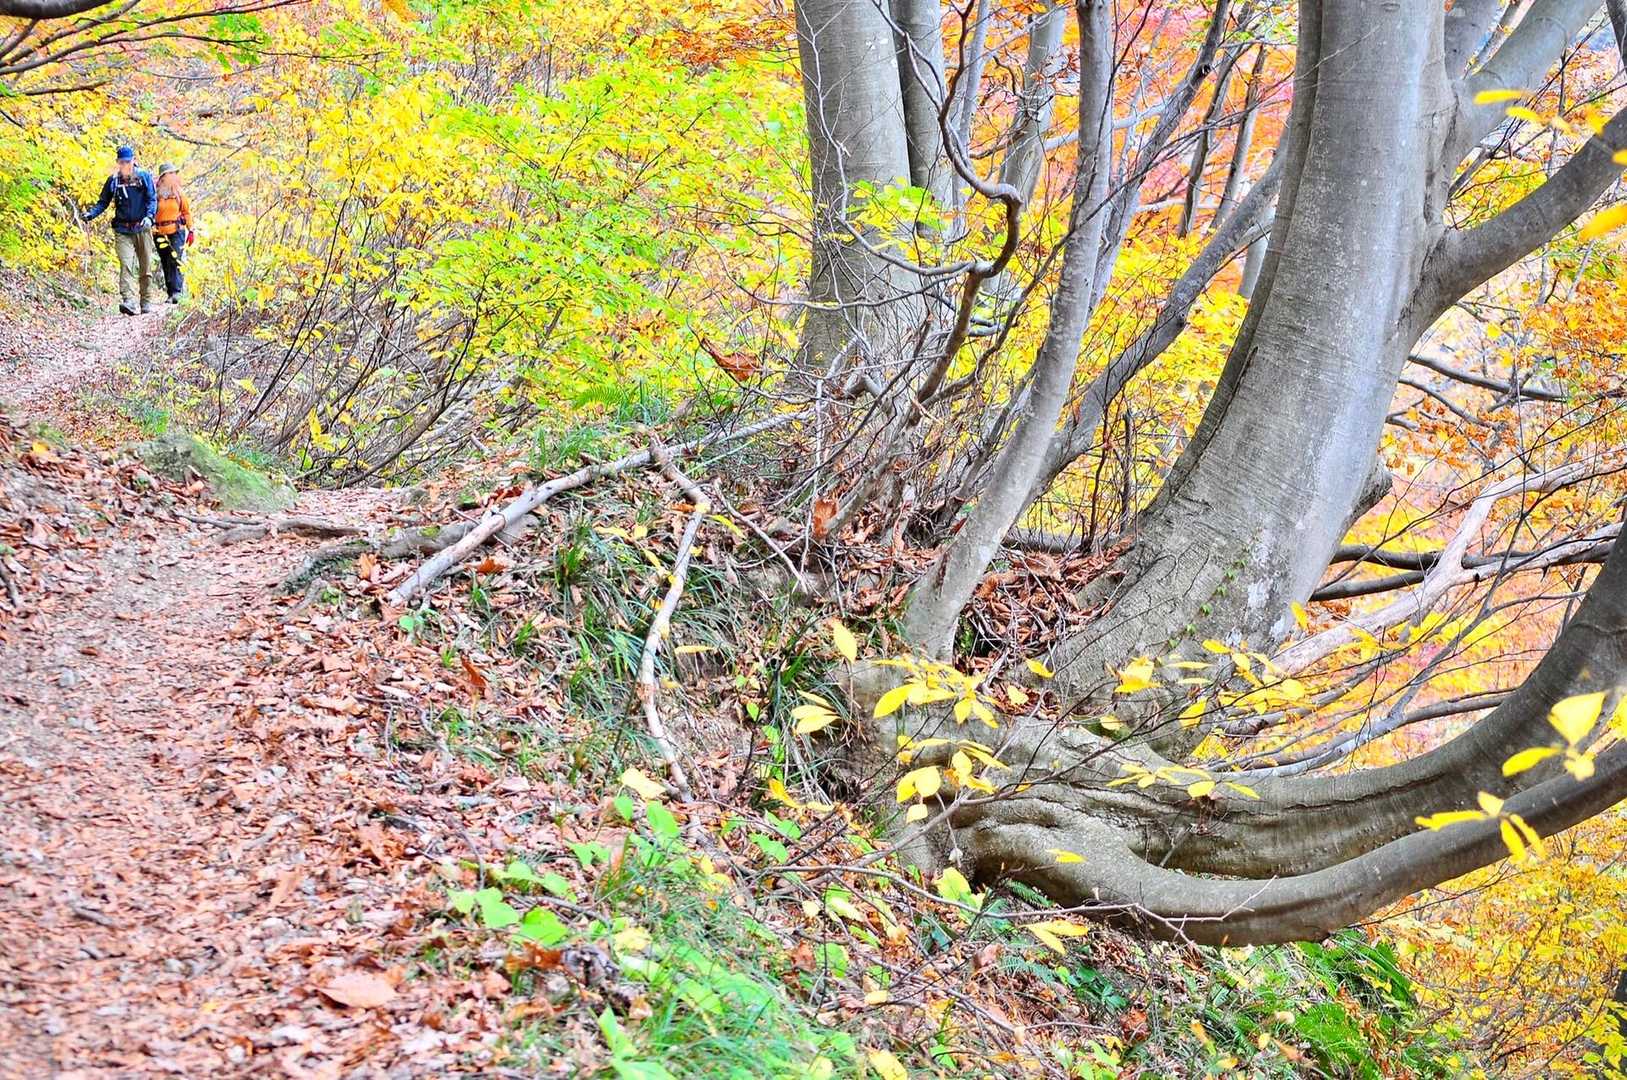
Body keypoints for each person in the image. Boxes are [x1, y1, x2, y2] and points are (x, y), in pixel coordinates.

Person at [80, 145, 158, 316]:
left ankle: (146, 300)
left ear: (133, 161)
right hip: (122, 229)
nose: (125, 165)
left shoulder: (144, 177)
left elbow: (152, 199)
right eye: (121, 162)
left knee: (145, 267)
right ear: (118, 162)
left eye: (127, 162)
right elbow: (103, 202)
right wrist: (91, 214)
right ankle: (129, 300)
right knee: (126, 264)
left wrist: (149, 217)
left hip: (142, 228)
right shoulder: (113, 181)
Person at [151, 163, 194, 303]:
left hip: (177, 231)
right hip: (159, 232)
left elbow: (186, 212)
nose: (174, 176)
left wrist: (191, 229)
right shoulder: (154, 193)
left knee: (175, 259)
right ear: (163, 176)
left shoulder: (178, 192)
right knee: (165, 261)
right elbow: (149, 209)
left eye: (174, 173)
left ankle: (177, 292)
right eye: (171, 173)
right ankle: (170, 293)